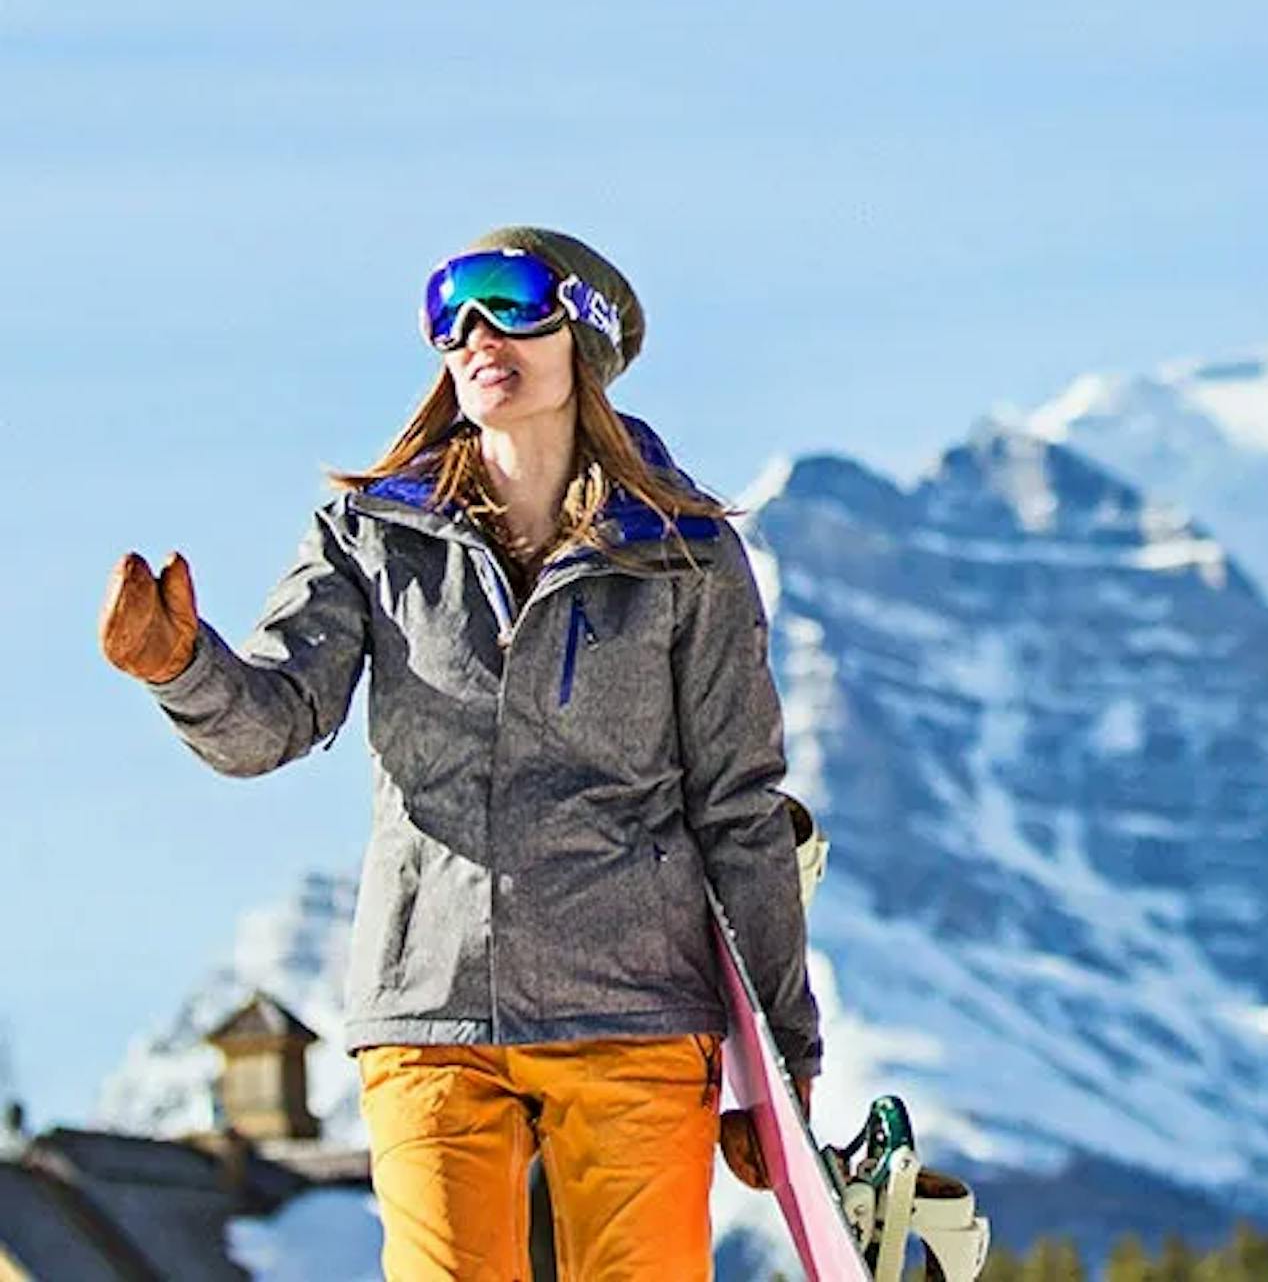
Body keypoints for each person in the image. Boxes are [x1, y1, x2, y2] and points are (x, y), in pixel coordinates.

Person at [98, 227, 822, 1281]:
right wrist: (181, 668)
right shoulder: (370, 535)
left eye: (512, 301)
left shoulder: (685, 556)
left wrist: (782, 1063)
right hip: (429, 1008)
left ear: (586, 333)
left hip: (633, 1014)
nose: (478, 331)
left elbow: (738, 805)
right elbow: (277, 716)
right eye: (453, 309)